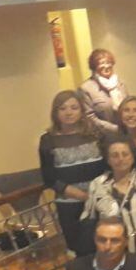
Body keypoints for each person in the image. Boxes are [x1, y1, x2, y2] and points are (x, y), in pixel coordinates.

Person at [39, 90, 105, 255]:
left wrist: (97, 193)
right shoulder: (48, 140)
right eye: (63, 108)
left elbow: (107, 165)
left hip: (101, 199)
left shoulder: (96, 134)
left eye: (74, 107)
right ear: (55, 112)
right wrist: (80, 195)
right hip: (69, 204)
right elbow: (49, 178)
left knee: (106, 247)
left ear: (82, 110)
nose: (69, 112)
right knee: (80, 251)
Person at [81, 137, 136, 259]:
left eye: (125, 154)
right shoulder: (97, 185)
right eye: (115, 155)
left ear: (132, 157)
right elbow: (89, 223)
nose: (121, 159)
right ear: (108, 160)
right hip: (117, 255)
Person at [78, 48, 128, 133]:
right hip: (103, 138)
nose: (106, 66)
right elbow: (90, 118)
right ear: (94, 66)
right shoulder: (86, 88)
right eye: (102, 63)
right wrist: (115, 129)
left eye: (108, 62)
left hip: (127, 132)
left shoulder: (120, 84)